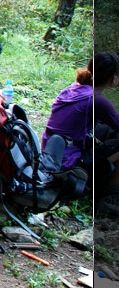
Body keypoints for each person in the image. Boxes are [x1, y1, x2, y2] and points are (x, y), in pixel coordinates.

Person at [42, 52, 119, 210]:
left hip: (51, 152)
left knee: (105, 130)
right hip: (68, 162)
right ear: (113, 78)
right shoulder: (98, 101)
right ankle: (109, 196)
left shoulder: (75, 88)